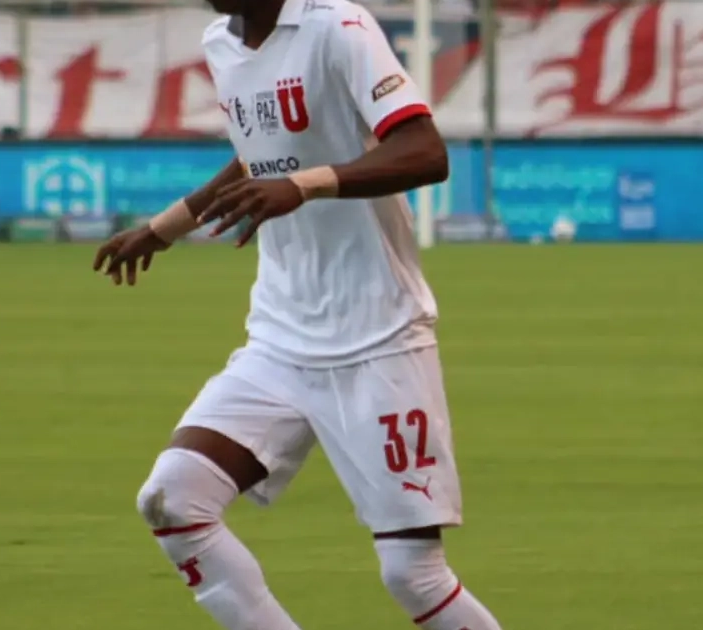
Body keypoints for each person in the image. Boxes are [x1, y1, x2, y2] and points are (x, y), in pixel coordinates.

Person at [92, 0, 503, 628]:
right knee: (173, 498)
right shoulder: (222, 43)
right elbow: (260, 156)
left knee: (412, 575)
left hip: (379, 339)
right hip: (280, 340)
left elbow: (425, 151)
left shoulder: (338, 28)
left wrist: (305, 186)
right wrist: (163, 228)